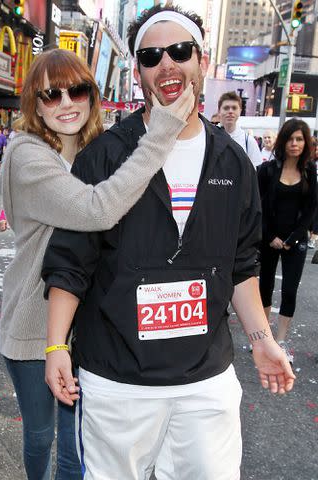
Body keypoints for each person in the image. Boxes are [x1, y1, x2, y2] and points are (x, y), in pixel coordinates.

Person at [41, 6, 295, 480]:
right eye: (152, 56)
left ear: (201, 60)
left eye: (179, 51)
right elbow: (70, 262)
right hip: (118, 382)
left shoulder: (233, 161)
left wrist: (262, 341)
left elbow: (241, 265)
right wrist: (56, 346)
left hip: (205, 381)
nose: (167, 64)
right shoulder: (106, 155)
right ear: (138, 73)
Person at [0, 48, 194, 480]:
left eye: (77, 90)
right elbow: (98, 209)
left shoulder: (97, 148)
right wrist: (160, 135)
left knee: (75, 442)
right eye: (51, 96)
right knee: (40, 435)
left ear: (92, 95)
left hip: (85, 324)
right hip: (34, 326)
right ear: (34, 102)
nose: (66, 103)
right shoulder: (27, 155)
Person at [257, 118, 317, 364]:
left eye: (300, 139)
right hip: (269, 238)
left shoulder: (310, 171)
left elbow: (312, 208)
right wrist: (270, 237)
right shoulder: (268, 170)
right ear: (284, 140)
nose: (295, 143)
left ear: (306, 142)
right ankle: (265, 341)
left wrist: (293, 238)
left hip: (296, 240)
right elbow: (257, 206)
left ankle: (281, 341)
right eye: (291, 138)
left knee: (290, 291)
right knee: (265, 288)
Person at [218, 91, 262, 168]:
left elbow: (256, 171)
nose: (230, 111)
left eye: (234, 108)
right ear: (219, 111)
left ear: (240, 111)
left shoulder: (248, 141)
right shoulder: (209, 138)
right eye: (226, 108)